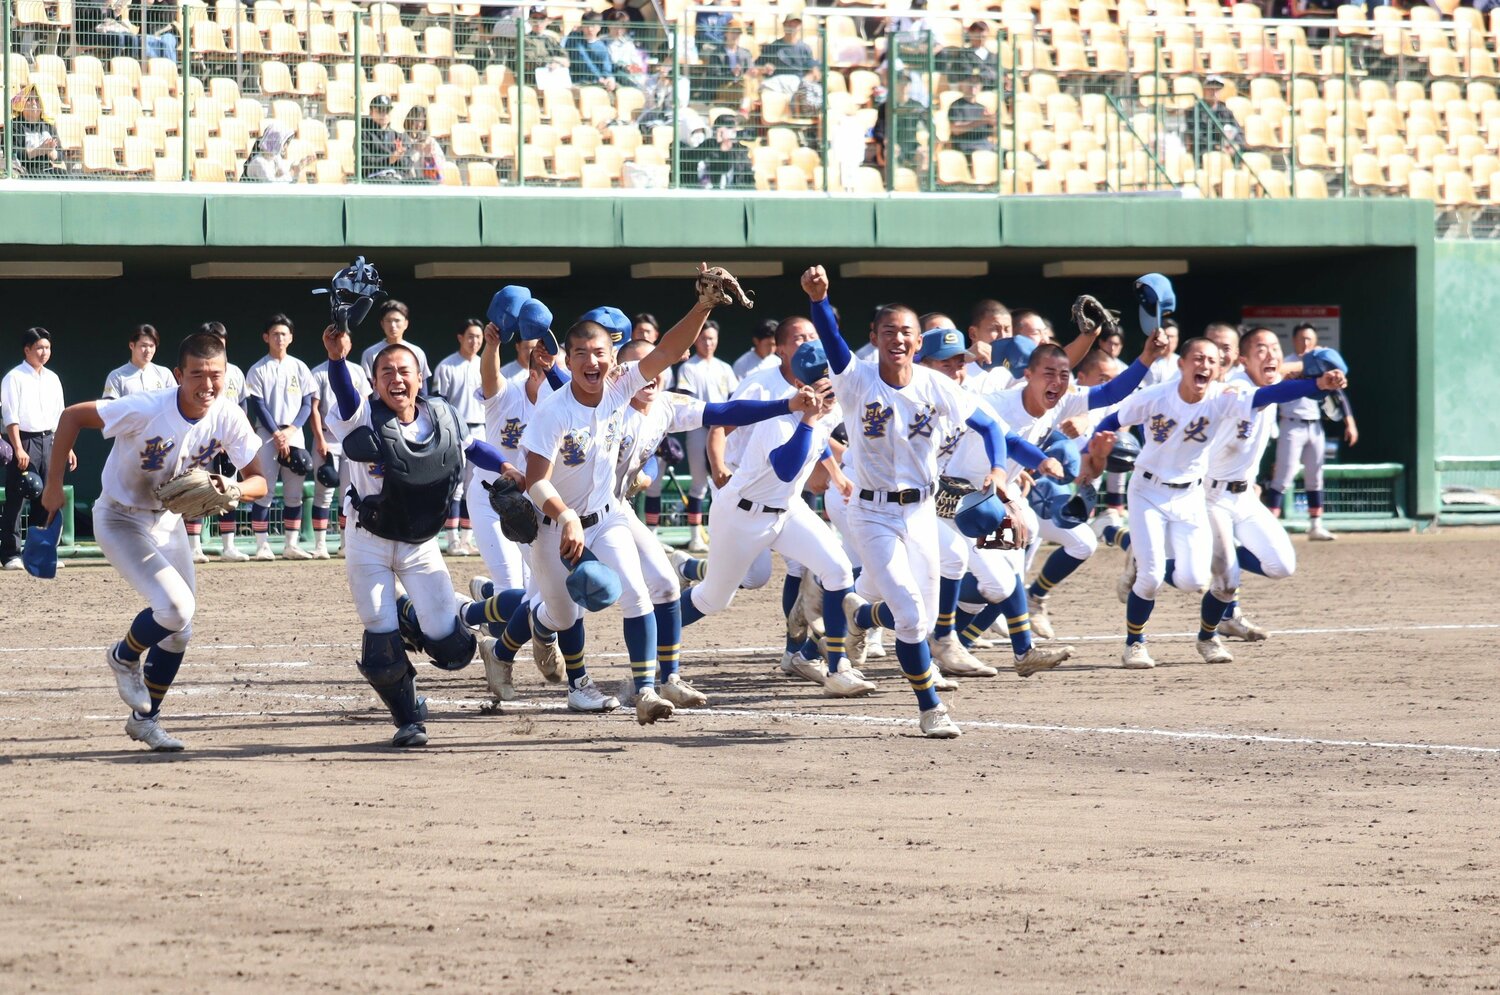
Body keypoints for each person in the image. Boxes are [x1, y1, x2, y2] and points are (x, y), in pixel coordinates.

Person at [801, 266, 1016, 739]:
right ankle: (930, 708)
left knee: (914, 609)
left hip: (921, 511)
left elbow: (992, 427)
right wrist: (819, 302)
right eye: (888, 331)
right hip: (872, 511)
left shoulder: (936, 385)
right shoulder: (856, 381)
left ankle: (859, 615)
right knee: (912, 615)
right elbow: (834, 342)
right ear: (874, 338)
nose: (897, 338)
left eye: (906, 332)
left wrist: (999, 472)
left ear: (919, 342)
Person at [518, 269, 729, 724]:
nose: (590, 362)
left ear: (612, 357)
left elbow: (671, 348)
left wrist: (704, 304)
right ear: (567, 361)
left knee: (636, 595)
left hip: (606, 516)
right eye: (580, 355)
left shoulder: (621, 386)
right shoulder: (552, 412)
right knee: (560, 612)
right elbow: (536, 480)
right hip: (553, 527)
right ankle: (542, 631)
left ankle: (647, 691)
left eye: (599, 353)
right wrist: (565, 517)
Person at [42, 332, 268, 750]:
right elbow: (72, 416)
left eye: (215, 374)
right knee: (176, 607)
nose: (207, 384)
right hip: (119, 517)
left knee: (179, 629)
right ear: (178, 374)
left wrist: (233, 488)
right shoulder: (148, 407)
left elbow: (259, 480)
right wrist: (54, 484)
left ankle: (146, 721)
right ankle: (124, 656)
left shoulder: (227, 415)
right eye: (197, 374)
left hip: (167, 520)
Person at [1091, 337, 1348, 669]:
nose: (1204, 365)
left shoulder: (1224, 397)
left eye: (1211, 361)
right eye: (1197, 358)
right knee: (1154, 577)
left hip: (1192, 494)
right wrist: (1092, 454)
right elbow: (1112, 420)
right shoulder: (1158, 396)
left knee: (1194, 581)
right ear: (1181, 363)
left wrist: (1316, 384)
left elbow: (1271, 393)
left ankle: (1130, 545)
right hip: (1152, 491)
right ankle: (1136, 643)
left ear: (1218, 368)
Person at [323, 322, 519, 748]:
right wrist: (338, 358)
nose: (396, 379)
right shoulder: (359, 417)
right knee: (379, 641)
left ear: (420, 378)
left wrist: (506, 467)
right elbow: (342, 392)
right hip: (369, 541)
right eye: (386, 372)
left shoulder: (441, 415)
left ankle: (412, 617)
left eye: (403, 371)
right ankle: (409, 718)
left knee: (453, 650)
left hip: (419, 543)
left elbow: (472, 448)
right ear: (374, 382)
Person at [1267, 323, 1357, 541]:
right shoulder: (1286, 364)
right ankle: (1270, 528)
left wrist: (1350, 423)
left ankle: (1316, 525)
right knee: (1283, 476)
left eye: (1310, 339)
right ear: (1294, 340)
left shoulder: (1321, 365)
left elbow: (1338, 395)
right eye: (1302, 338)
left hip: (1315, 424)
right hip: (1291, 423)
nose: (1306, 343)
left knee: (1315, 476)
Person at [243, 314, 317, 561]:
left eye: (284, 333)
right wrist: (276, 433)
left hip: (293, 433)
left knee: (294, 492)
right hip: (266, 434)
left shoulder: (300, 367)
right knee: (263, 490)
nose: (280, 338)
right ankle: (262, 545)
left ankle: (291, 544)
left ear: (291, 337)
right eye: (275, 333)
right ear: (266, 337)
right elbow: (259, 406)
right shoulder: (258, 368)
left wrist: (291, 431)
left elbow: (307, 404)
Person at [1, 328, 70, 570]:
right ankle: (10, 554)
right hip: (25, 440)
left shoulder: (53, 378)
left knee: (48, 498)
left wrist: (67, 446)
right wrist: (18, 448)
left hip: (50, 440)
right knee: (18, 497)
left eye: (47, 347)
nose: (44, 352)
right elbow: (11, 416)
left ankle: (42, 553)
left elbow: (61, 415)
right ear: (27, 349)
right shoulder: (14, 377)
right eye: (39, 347)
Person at [308, 324, 371, 559]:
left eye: (345, 340)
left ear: (350, 344)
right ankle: (320, 544)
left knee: (350, 492)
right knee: (323, 492)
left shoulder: (357, 371)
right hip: (328, 437)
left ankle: (347, 543)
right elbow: (314, 409)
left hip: (352, 438)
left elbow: (365, 405)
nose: (341, 343)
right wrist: (319, 439)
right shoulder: (319, 371)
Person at [675, 319, 738, 552]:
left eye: (712, 338)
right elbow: (684, 398)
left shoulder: (725, 367)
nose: (708, 342)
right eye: (703, 338)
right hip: (698, 429)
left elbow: (734, 397)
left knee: (725, 482)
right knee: (699, 484)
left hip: (723, 431)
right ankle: (696, 536)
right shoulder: (689, 367)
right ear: (696, 340)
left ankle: (721, 533)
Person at [431, 318, 485, 556]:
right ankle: (452, 539)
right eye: (471, 336)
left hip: (481, 428)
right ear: (460, 337)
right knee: (456, 486)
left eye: (479, 337)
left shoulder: (486, 365)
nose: (475, 341)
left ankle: (467, 538)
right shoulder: (446, 366)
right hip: (455, 430)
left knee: (475, 486)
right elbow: (438, 403)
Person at [360, 301, 431, 383]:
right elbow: (366, 388)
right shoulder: (370, 353)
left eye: (397, 321)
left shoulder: (417, 352)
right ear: (382, 324)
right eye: (388, 321)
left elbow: (423, 387)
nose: (393, 325)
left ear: (406, 323)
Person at [102, 325, 177, 399]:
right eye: (143, 346)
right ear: (131, 345)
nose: (148, 351)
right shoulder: (116, 376)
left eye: (151, 346)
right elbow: (109, 407)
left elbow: (175, 402)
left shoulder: (165, 374)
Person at [9, 86, 65, 177]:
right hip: (25, 170)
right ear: (22, 103)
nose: (34, 103)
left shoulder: (48, 125)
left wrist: (51, 152)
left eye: (37, 100)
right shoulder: (14, 124)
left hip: (48, 168)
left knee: (68, 177)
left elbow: (61, 156)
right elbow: (13, 152)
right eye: (29, 99)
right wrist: (39, 150)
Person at [756, 15, 817, 97]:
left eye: (795, 24)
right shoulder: (772, 47)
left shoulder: (805, 48)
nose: (792, 27)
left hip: (797, 84)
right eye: (789, 24)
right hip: (776, 85)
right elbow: (756, 68)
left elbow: (814, 72)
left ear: (800, 27)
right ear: (784, 26)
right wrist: (764, 69)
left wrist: (803, 84)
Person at [691, 113, 754, 190]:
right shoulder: (708, 145)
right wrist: (723, 149)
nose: (735, 130)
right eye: (730, 127)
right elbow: (720, 169)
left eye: (735, 128)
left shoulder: (740, 150)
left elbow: (748, 180)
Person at [243, 122, 312, 183]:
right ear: (276, 141)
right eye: (285, 142)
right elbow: (272, 186)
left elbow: (286, 182)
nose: (286, 147)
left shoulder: (275, 158)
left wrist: (297, 169)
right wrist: (292, 172)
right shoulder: (259, 162)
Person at [937, 21, 999, 88]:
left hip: (993, 90)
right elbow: (967, 75)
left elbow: (1000, 73)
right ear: (970, 34)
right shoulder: (963, 55)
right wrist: (988, 74)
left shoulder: (992, 56)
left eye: (983, 37)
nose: (981, 40)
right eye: (978, 36)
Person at [947, 75, 996, 158]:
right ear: (962, 84)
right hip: (966, 147)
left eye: (977, 83)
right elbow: (955, 130)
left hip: (985, 144)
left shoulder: (982, 108)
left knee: (1006, 153)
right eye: (970, 81)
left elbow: (991, 132)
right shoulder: (956, 106)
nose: (974, 85)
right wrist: (980, 121)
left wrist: (993, 122)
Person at [360, 94, 405, 183]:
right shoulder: (363, 134)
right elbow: (365, 163)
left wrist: (401, 158)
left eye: (387, 110)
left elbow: (405, 166)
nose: (384, 114)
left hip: (395, 177)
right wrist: (389, 159)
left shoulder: (396, 135)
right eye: (380, 110)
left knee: (426, 183)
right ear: (371, 112)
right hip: (374, 178)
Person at [565, 12, 615, 89]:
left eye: (593, 25)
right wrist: (598, 77)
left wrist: (608, 78)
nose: (590, 29)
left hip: (598, 83)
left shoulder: (602, 47)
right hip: (577, 82)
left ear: (599, 27)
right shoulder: (574, 39)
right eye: (587, 25)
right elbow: (582, 58)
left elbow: (606, 68)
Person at [521, 6, 567, 87]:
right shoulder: (525, 40)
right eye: (535, 18)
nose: (538, 22)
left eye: (541, 19)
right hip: (533, 81)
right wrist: (551, 62)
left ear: (547, 21)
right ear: (529, 21)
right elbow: (530, 61)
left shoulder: (551, 39)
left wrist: (557, 64)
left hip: (556, 77)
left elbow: (566, 61)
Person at [603, 10, 649, 89]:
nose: (618, 30)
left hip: (627, 75)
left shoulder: (628, 43)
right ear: (609, 25)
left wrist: (631, 67)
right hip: (611, 74)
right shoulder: (602, 42)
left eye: (622, 27)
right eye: (616, 26)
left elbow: (637, 63)